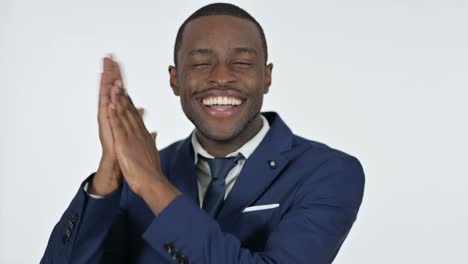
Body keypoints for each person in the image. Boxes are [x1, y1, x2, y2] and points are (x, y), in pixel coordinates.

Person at [41, 3, 365, 264]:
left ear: (266, 78)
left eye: (241, 62)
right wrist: (109, 174)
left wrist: (153, 185)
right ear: (175, 80)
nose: (221, 77)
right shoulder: (135, 173)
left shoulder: (329, 172)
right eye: (200, 64)